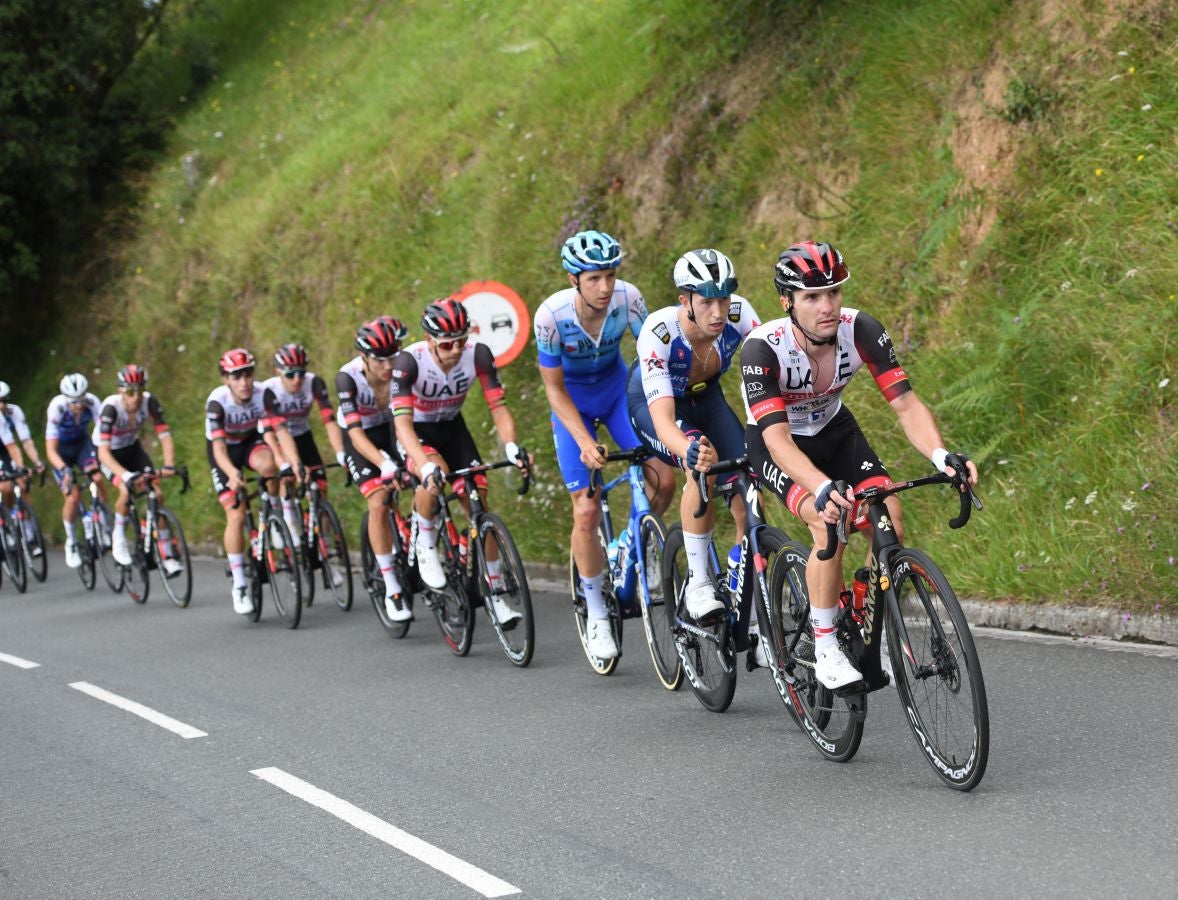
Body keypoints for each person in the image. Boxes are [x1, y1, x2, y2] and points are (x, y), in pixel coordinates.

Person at [740, 241, 978, 688]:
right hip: (779, 442)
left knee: (891, 519)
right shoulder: (762, 349)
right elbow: (776, 439)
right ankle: (825, 642)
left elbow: (906, 405)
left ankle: (864, 611)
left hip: (834, 429)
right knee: (826, 523)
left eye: (833, 292)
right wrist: (821, 487)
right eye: (812, 297)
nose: (826, 305)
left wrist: (941, 456)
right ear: (786, 302)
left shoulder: (861, 329)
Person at [534, 230, 675, 659]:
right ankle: (596, 609)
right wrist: (582, 440)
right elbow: (554, 390)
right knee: (587, 508)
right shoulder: (551, 318)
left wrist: (667, 413)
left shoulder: (628, 299)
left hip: (616, 391)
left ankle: (641, 542)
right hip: (573, 400)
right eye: (594, 278)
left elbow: (653, 355)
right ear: (573, 279)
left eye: (610, 275)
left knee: (664, 477)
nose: (605, 287)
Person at [627, 249, 762, 637]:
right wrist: (687, 449)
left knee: (747, 483)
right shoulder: (660, 332)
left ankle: (743, 584)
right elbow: (664, 420)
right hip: (655, 405)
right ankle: (699, 583)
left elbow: (770, 372)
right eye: (707, 302)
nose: (718, 312)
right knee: (700, 462)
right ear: (684, 300)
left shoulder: (740, 314)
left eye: (723, 300)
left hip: (708, 398)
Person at [392, 298, 530, 626]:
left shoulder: (478, 354)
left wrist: (510, 445)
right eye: (447, 343)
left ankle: (494, 589)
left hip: (453, 428)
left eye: (462, 340)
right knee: (435, 473)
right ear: (429, 340)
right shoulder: (408, 362)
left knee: (479, 500)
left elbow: (498, 406)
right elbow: (402, 425)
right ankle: (425, 540)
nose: (456, 349)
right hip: (416, 430)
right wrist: (423, 465)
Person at [205, 348, 303, 615]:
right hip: (224, 452)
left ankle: (272, 512)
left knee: (270, 465)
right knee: (235, 516)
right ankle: (239, 583)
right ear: (226, 379)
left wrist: (293, 464)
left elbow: (281, 431)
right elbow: (218, 450)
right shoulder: (217, 402)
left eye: (248, 374)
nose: (244, 381)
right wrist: (231, 473)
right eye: (236, 376)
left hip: (250, 443)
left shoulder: (264, 394)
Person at [336, 316, 412, 621]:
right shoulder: (348, 378)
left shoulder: (403, 369)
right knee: (379, 502)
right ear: (364, 357)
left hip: (393, 428)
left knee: (423, 478)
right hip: (362, 437)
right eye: (380, 360)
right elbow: (354, 434)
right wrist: (384, 463)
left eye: (393, 356)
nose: (388, 365)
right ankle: (392, 587)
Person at [94, 365, 182, 575]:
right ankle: (119, 537)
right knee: (127, 490)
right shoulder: (111, 408)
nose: (136, 397)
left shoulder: (149, 402)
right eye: (130, 392)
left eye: (140, 391)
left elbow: (165, 436)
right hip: (109, 454)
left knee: (157, 495)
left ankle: (166, 553)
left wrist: (168, 465)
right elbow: (103, 453)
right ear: (120, 391)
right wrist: (124, 475)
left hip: (133, 449)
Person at [261, 343, 346, 539]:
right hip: (275, 436)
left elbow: (329, 421)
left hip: (302, 434)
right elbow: (273, 433)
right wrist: (287, 464)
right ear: (278, 372)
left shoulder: (314, 382)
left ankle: (324, 549)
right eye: (290, 375)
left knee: (321, 488)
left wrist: (341, 453)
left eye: (301, 373)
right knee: (288, 477)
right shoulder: (268, 390)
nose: (297, 379)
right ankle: (289, 523)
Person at [45, 373, 105, 568]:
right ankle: (70, 541)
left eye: (81, 400)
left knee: (97, 477)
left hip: (82, 445)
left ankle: (104, 521)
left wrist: (102, 458)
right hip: (61, 451)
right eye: (74, 401)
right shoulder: (57, 408)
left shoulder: (93, 402)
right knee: (73, 496)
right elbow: (51, 450)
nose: (79, 405)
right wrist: (64, 469)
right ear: (66, 398)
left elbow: (103, 432)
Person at [0, 381, 47, 553]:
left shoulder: (15, 412)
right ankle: (7, 524)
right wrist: (19, 468)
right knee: (5, 486)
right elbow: (13, 447)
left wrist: (37, 462)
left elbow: (25, 441)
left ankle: (28, 535)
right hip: (5, 450)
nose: (2, 405)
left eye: (4, 400)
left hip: (5, 450)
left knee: (22, 485)